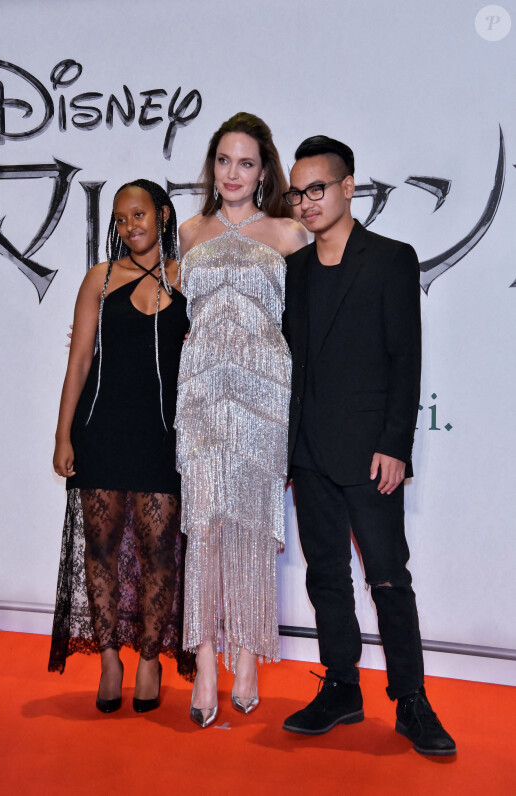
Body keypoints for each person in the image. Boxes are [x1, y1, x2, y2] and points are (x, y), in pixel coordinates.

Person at [281, 135, 456, 756]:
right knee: (327, 577)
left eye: (316, 189)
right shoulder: (293, 269)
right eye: (297, 192)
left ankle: (411, 701)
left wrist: (395, 445)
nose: (305, 202)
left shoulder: (390, 259)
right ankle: (342, 688)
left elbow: (404, 359)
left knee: (388, 579)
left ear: (349, 186)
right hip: (307, 452)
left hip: (369, 454)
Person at [175, 112, 307, 727]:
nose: (233, 172)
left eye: (246, 162)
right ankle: (205, 664)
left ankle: (248, 657)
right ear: (212, 166)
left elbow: (305, 330)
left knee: (253, 525)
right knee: (202, 526)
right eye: (224, 161)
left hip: (263, 401)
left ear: (263, 170)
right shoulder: (190, 231)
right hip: (200, 396)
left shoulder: (287, 233)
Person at [49, 179, 195, 713]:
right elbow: (79, 361)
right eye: (121, 218)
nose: (130, 226)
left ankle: (151, 657)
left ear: (161, 214)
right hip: (101, 429)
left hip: (162, 436)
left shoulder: (189, 276)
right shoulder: (98, 278)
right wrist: (63, 434)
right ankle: (110, 657)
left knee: (161, 550)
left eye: (138, 215)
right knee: (101, 549)